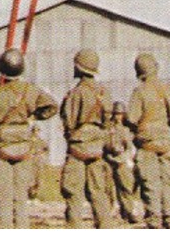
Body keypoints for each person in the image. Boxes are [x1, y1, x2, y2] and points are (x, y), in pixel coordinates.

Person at [0, 47, 58, 231]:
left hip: (1, 153)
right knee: (21, 200)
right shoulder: (31, 91)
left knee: (2, 202)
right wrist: (34, 116)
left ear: (1, 69)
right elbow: (52, 106)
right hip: (24, 151)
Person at [60, 48, 113, 228]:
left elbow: (69, 121)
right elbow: (108, 121)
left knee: (73, 193)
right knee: (99, 192)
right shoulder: (104, 92)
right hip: (97, 148)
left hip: (78, 148)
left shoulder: (77, 93)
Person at [126, 52, 170, 228]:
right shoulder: (167, 90)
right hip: (165, 143)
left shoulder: (140, 91)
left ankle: (154, 221)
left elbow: (132, 118)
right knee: (166, 184)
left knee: (150, 186)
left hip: (147, 144)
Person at [103, 101, 143, 224]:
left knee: (126, 188)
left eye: (120, 114)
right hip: (109, 160)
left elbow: (130, 148)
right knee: (108, 188)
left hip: (122, 161)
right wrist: (109, 156)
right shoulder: (108, 129)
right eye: (116, 114)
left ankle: (128, 212)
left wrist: (122, 159)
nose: (117, 117)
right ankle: (108, 214)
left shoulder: (126, 130)